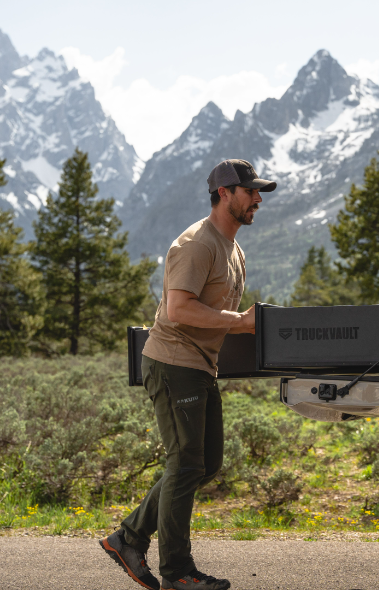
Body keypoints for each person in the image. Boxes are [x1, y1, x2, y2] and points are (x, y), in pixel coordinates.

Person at [100, 159, 275, 590]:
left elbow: (214, 316)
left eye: (258, 192)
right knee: (185, 464)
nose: (257, 199)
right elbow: (178, 310)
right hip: (174, 363)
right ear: (223, 194)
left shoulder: (234, 249)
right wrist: (241, 321)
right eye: (250, 191)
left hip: (199, 367)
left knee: (203, 463)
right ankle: (177, 571)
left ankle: (129, 537)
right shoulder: (198, 244)